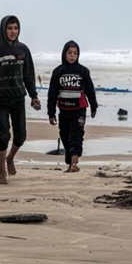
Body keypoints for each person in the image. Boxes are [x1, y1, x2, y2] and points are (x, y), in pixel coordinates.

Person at [0, 15, 41, 184]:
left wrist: (34, 96)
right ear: (3, 29)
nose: (13, 31)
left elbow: (29, 76)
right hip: (1, 99)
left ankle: (10, 157)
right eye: (9, 28)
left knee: (21, 136)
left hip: (19, 99)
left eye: (16, 28)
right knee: (3, 134)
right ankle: (1, 170)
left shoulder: (23, 50)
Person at [47, 40, 98, 172]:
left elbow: (90, 91)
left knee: (76, 136)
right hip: (64, 110)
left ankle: (74, 164)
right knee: (64, 135)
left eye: (75, 53)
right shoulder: (58, 72)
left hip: (79, 110)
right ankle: (70, 162)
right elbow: (52, 94)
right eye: (69, 53)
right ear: (64, 53)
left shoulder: (83, 71)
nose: (72, 56)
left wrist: (94, 106)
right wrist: (51, 113)